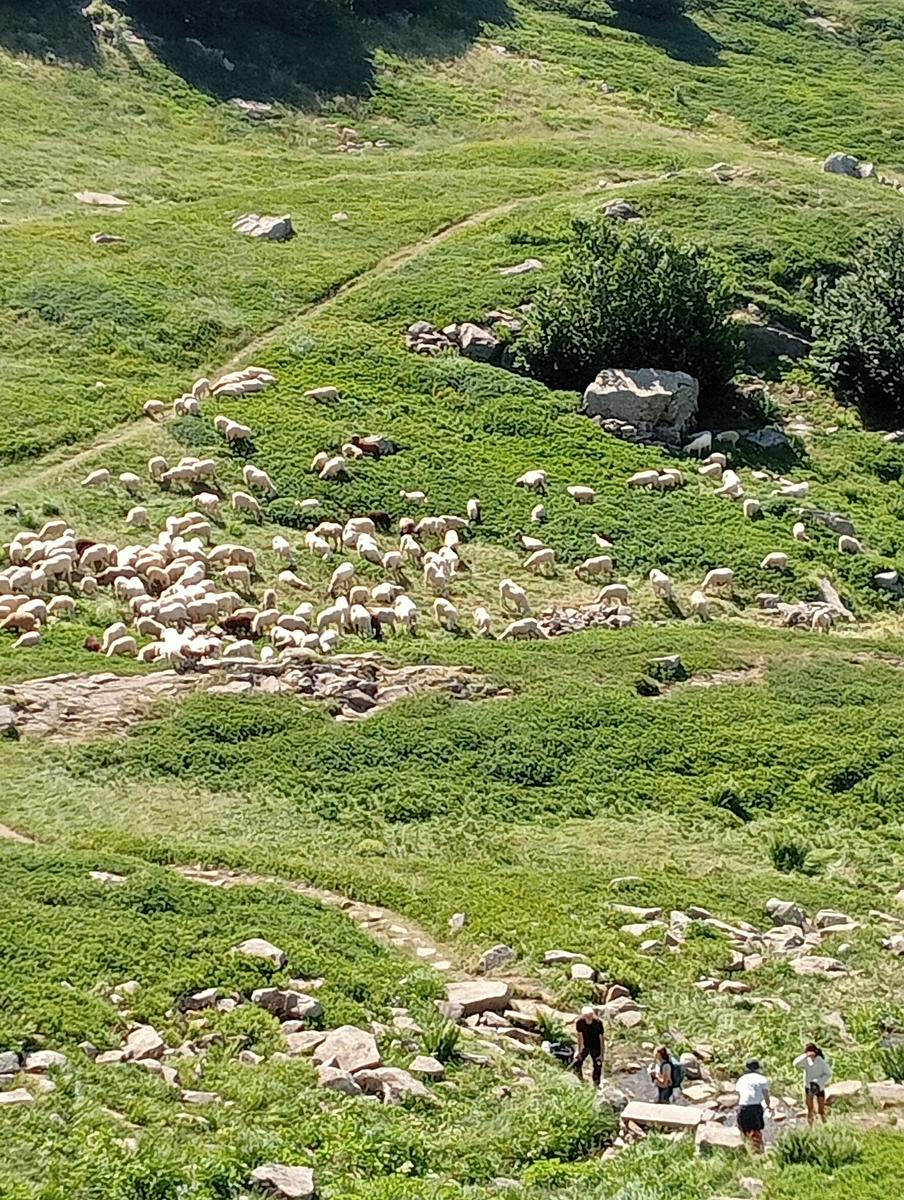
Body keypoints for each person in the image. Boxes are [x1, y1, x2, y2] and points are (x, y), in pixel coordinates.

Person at [736, 1058, 771, 1154]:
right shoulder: (762, 1079)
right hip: (756, 1107)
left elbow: (739, 1094)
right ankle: (760, 1150)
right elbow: (766, 1095)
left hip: (743, 1106)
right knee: (757, 1130)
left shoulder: (741, 1079)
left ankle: (747, 1149)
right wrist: (768, 1106)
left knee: (744, 1130)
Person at [793, 1043, 832, 1125]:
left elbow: (828, 1073)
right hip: (809, 1087)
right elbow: (795, 1064)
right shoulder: (806, 1060)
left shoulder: (821, 1061)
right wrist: (805, 1055)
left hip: (819, 1087)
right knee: (810, 1109)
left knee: (821, 1109)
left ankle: (825, 1124)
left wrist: (818, 1081)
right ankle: (811, 1126)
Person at [571, 1005, 605, 1087]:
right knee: (577, 1062)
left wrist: (601, 1054)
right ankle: (579, 1080)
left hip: (596, 1046)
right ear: (583, 1016)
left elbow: (601, 1040)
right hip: (585, 1045)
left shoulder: (598, 1023)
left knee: (597, 1065)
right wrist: (579, 1051)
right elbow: (580, 1037)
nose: (589, 1017)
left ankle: (596, 1084)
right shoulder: (580, 1022)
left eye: (590, 1015)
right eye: (586, 1016)